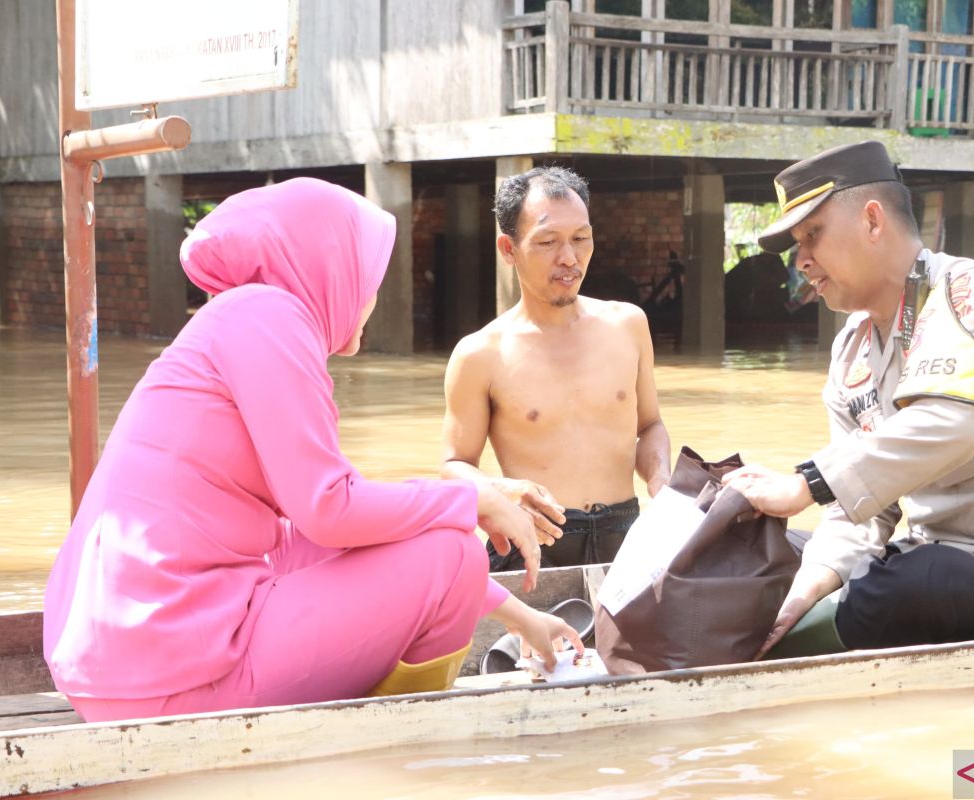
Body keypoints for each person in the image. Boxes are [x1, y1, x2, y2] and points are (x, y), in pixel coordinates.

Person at [42, 178, 582, 723]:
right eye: (370, 275)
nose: (373, 296)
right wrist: (472, 502)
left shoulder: (239, 319)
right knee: (455, 552)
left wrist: (518, 616)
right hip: (175, 674)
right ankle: (404, 745)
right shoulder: (271, 319)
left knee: (435, 542)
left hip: (117, 668)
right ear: (332, 266)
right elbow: (331, 510)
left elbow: (320, 528)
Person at [720, 141, 974, 658]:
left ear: (871, 220)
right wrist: (812, 581)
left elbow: (950, 421)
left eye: (812, 235)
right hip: (938, 561)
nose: (802, 261)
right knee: (768, 555)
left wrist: (807, 482)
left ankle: (772, 654)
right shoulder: (851, 349)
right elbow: (863, 508)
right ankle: (785, 628)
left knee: (918, 582)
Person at [441, 166, 671, 570]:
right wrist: (500, 490)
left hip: (626, 535)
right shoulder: (479, 354)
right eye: (547, 242)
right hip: (529, 541)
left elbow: (649, 426)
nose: (569, 258)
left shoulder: (629, 325)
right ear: (508, 249)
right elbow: (454, 467)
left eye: (581, 239)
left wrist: (661, 477)